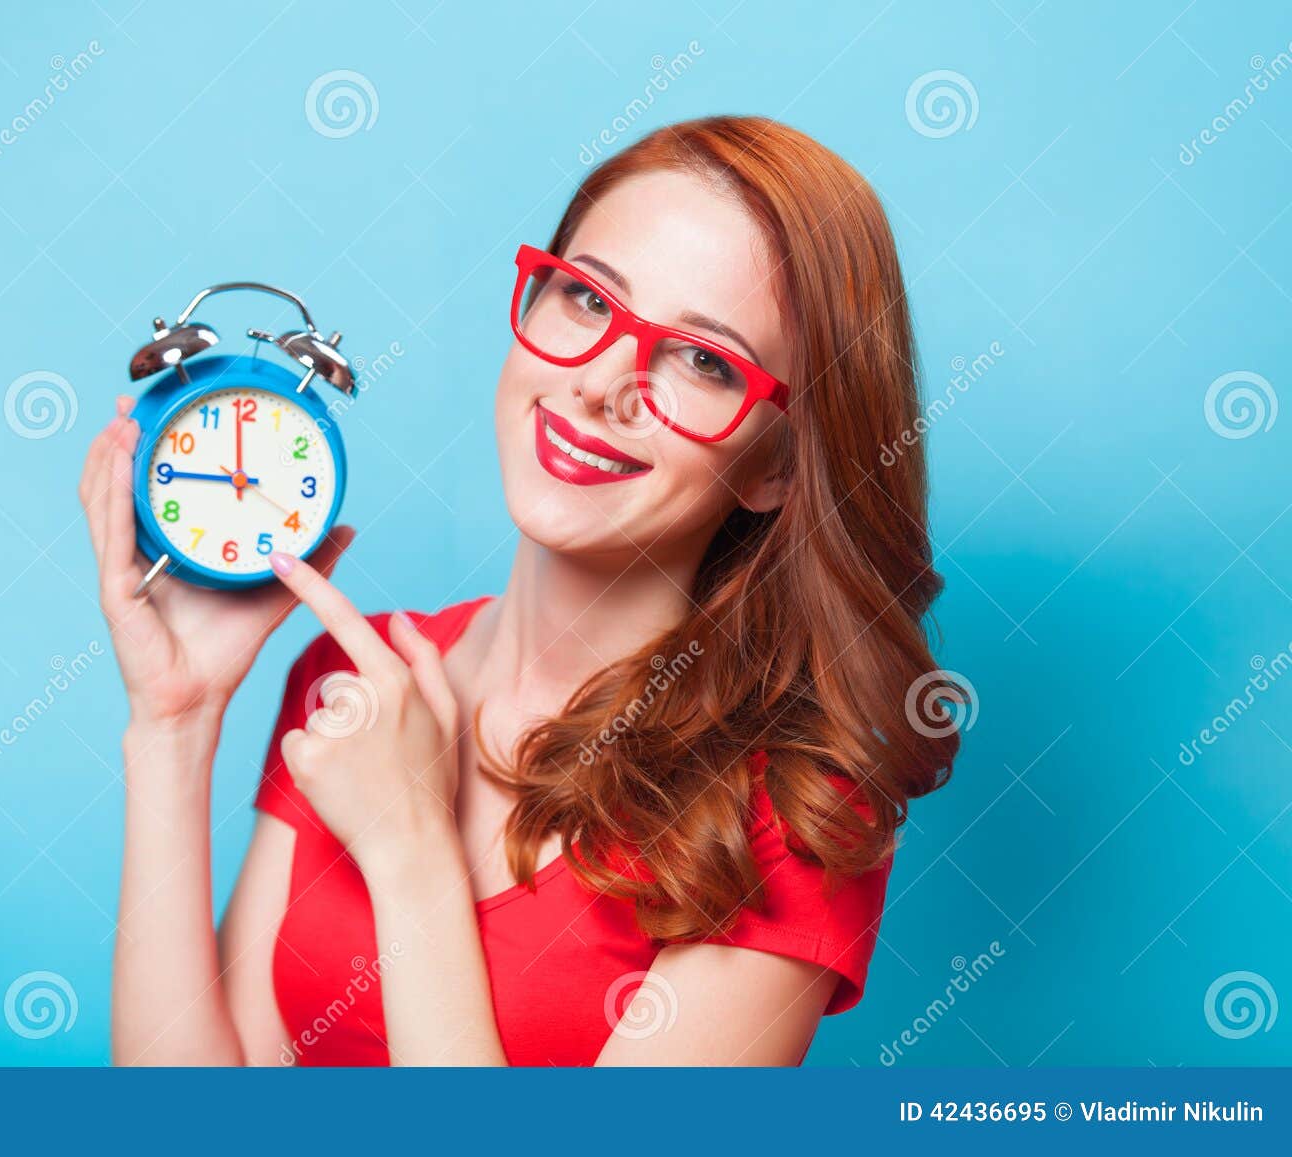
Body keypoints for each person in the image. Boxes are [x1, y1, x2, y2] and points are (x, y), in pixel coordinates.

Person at [78, 115, 958, 1066]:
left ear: (779, 467)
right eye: (585, 300)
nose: (601, 386)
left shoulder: (793, 817)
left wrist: (411, 852)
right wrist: (174, 722)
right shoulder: (357, 676)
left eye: (704, 360)